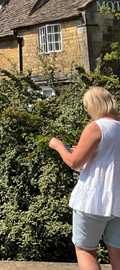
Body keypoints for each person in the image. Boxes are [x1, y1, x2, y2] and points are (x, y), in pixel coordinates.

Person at [50, 87, 120, 270]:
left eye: (86, 106)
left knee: (85, 251)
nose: (87, 110)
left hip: (93, 199)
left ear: (93, 104)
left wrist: (58, 146)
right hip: (118, 201)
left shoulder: (96, 127)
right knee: (117, 252)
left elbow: (74, 162)